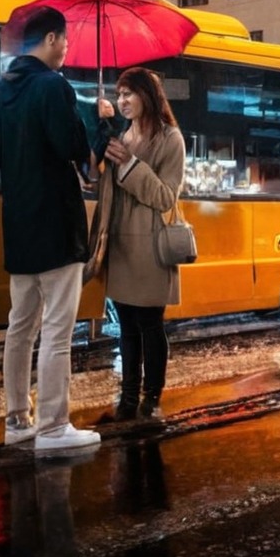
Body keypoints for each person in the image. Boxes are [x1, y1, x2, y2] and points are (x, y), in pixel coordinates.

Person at [0, 5, 101, 452]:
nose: (66, 51)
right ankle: (54, 425)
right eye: (65, 43)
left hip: (18, 224)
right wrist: (97, 122)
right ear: (52, 39)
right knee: (56, 329)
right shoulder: (53, 86)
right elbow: (75, 150)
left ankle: (18, 419)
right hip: (55, 222)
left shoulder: (1, 89)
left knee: (21, 326)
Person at [96, 67, 185, 421]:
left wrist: (130, 165)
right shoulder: (122, 135)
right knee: (127, 327)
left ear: (147, 96)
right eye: (119, 95)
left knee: (150, 324)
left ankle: (152, 397)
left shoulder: (170, 138)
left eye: (128, 94)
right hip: (120, 242)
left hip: (149, 244)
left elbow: (166, 197)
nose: (122, 101)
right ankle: (128, 399)